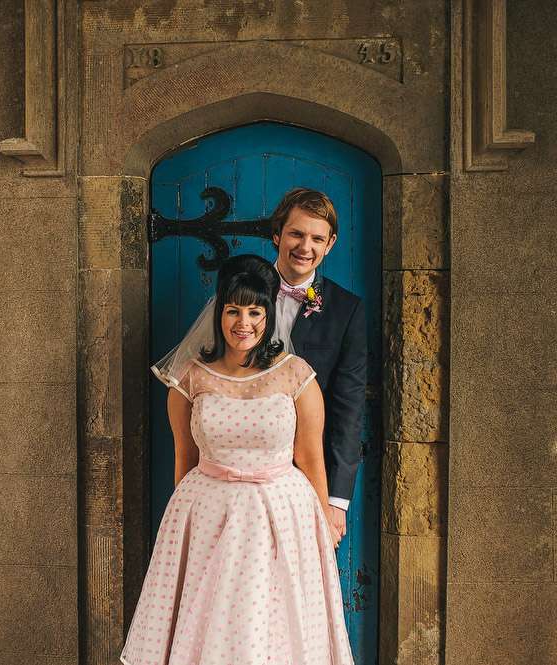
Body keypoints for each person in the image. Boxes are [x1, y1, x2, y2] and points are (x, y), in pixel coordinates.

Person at [121, 254, 353, 665]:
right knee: (211, 623)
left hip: (280, 516)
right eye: (233, 311)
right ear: (219, 313)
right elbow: (184, 459)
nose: (243, 323)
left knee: (270, 624)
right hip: (209, 515)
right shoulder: (190, 378)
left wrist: (321, 530)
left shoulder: (296, 375)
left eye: (254, 312)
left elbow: (311, 458)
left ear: (268, 317)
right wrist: (184, 529)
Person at [269, 188, 368, 545]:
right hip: (247, 465)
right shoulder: (241, 290)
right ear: (277, 234)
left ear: (330, 244)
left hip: (311, 471)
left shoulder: (347, 309)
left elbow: (349, 406)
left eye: (317, 239)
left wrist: (336, 501)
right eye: (296, 234)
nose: (305, 247)